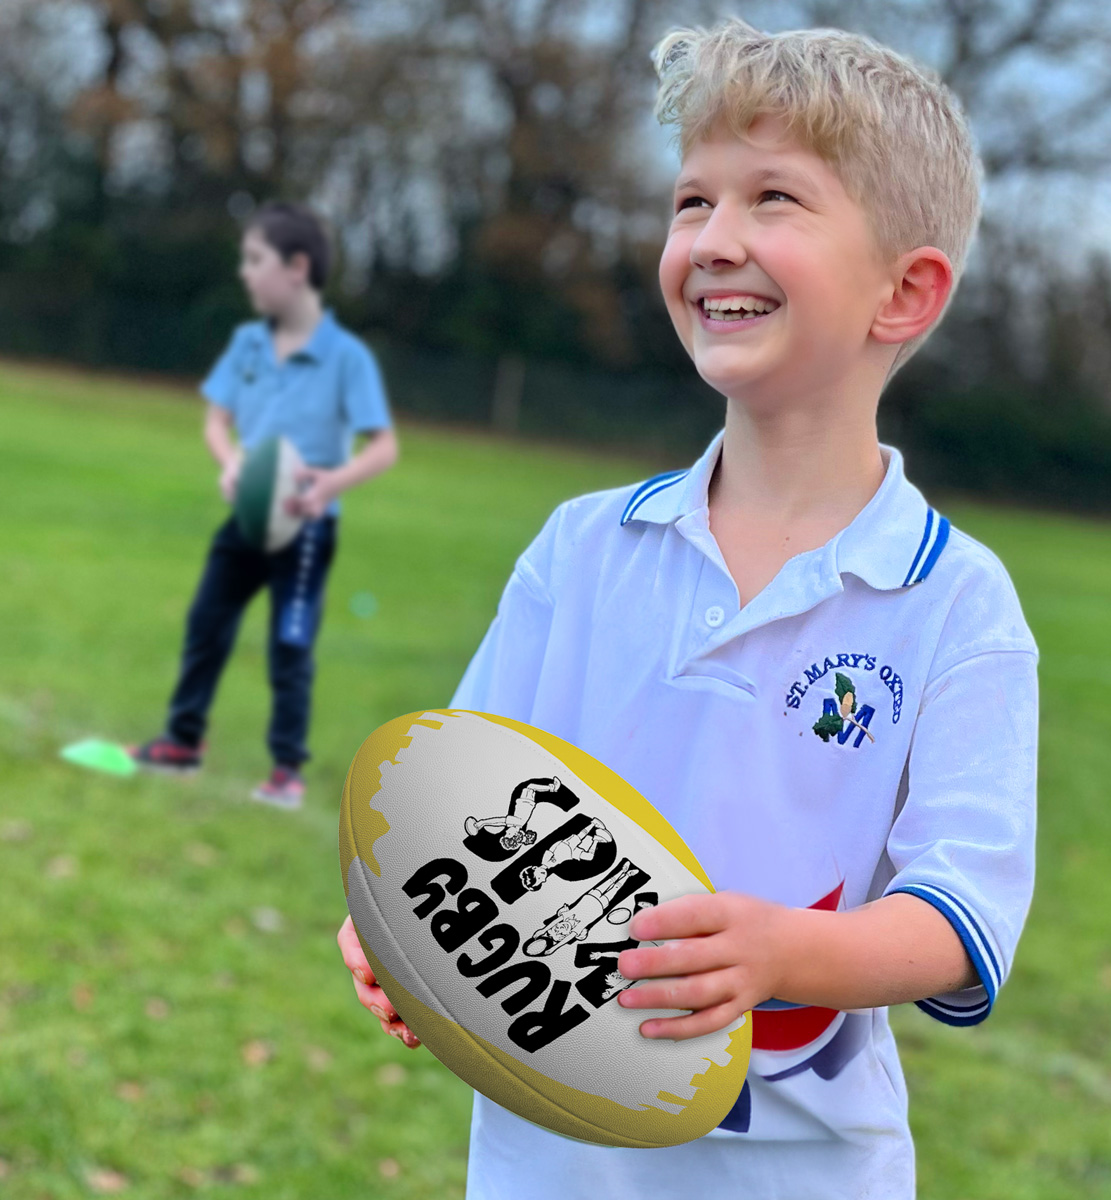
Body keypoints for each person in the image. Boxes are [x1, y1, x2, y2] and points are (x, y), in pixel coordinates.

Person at [337, 18, 1037, 1199]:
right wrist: (399, 933)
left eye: (773, 199)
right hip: (542, 1163)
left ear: (905, 293)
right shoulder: (582, 548)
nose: (713, 241)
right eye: (689, 202)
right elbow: (444, 805)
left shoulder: (954, 602)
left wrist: (784, 952)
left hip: (803, 1176)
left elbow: (960, 920)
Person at [132, 201, 398, 808]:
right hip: (246, 519)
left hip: (304, 533)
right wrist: (233, 466)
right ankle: (182, 742)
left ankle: (287, 770)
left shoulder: (346, 357)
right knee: (206, 624)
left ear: (297, 267)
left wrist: (326, 486)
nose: (246, 274)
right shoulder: (247, 344)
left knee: (289, 644)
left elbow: (383, 447)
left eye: (255, 261)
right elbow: (215, 421)